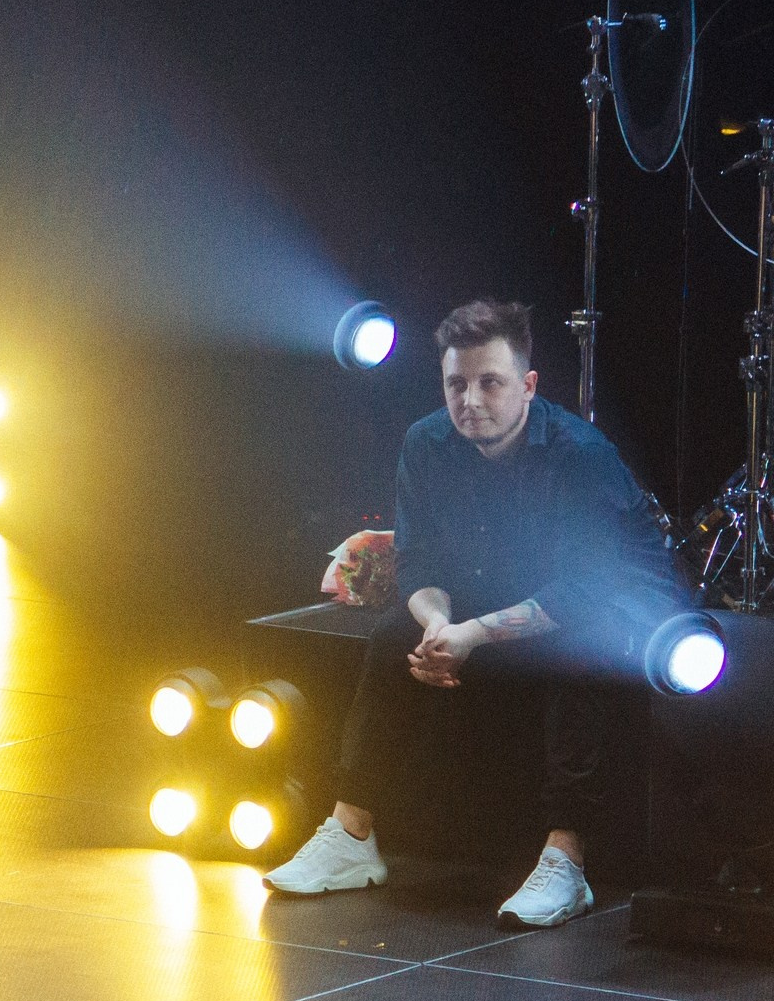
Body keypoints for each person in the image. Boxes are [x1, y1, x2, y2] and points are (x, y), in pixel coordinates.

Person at [265, 299, 685, 927]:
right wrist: (438, 626)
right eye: (456, 383)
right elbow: (420, 563)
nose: (471, 399)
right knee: (392, 640)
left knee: (581, 648)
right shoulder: (428, 443)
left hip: (616, 605)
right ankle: (351, 835)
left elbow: (582, 590)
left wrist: (475, 632)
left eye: (490, 382)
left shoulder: (577, 453)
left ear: (528, 386)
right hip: (506, 592)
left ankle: (565, 861)